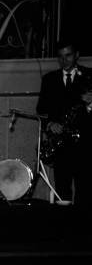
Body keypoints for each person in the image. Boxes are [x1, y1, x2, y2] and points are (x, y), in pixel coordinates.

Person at [37, 39, 92, 204]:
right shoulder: (49, 79)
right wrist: (50, 124)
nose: (64, 60)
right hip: (61, 144)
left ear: (77, 55)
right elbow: (41, 109)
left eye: (68, 55)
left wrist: (90, 103)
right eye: (60, 56)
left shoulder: (90, 76)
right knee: (62, 193)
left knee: (86, 191)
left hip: (85, 143)